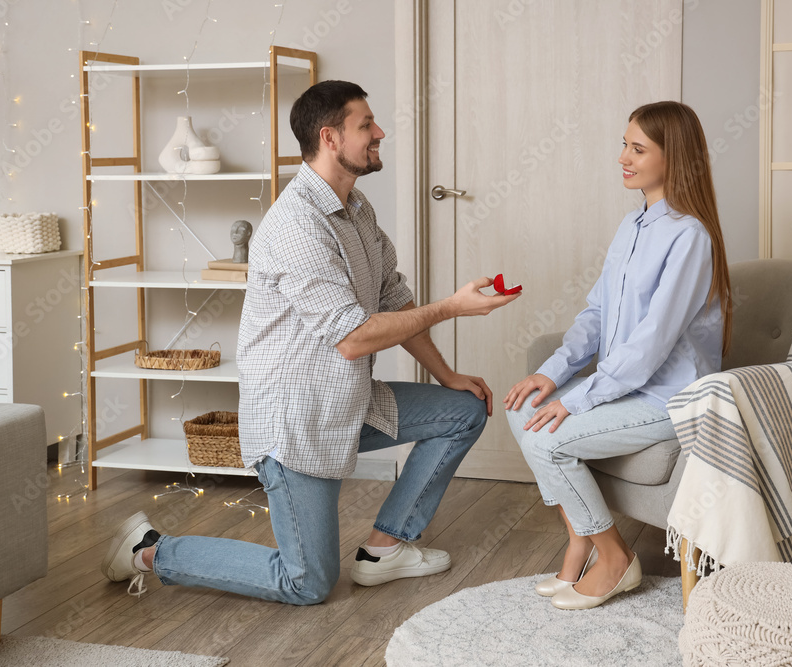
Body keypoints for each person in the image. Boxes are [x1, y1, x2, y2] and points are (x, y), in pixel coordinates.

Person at [102, 80, 520, 604]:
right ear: (330, 137)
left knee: (464, 409)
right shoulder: (296, 224)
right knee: (307, 583)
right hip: (297, 424)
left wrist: (449, 376)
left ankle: (385, 549)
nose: (380, 133)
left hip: (349, 403)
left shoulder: (357, 209)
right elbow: (352, 339)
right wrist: (452, 307)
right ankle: (149, 550)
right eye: (366, 125)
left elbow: (395, 302)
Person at [503, 101, 731, 611]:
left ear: (674, 157)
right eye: (624, 145)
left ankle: (614, 557)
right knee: (523, 410)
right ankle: (581, 541)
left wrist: (578, 398)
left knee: (547, 438)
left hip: (668, 398)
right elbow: (598, 312)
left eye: (638, 149)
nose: (623, 158)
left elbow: (651, 343)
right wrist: (551, 373)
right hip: (629, 387)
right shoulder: (632, 225)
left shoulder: (690, 236)